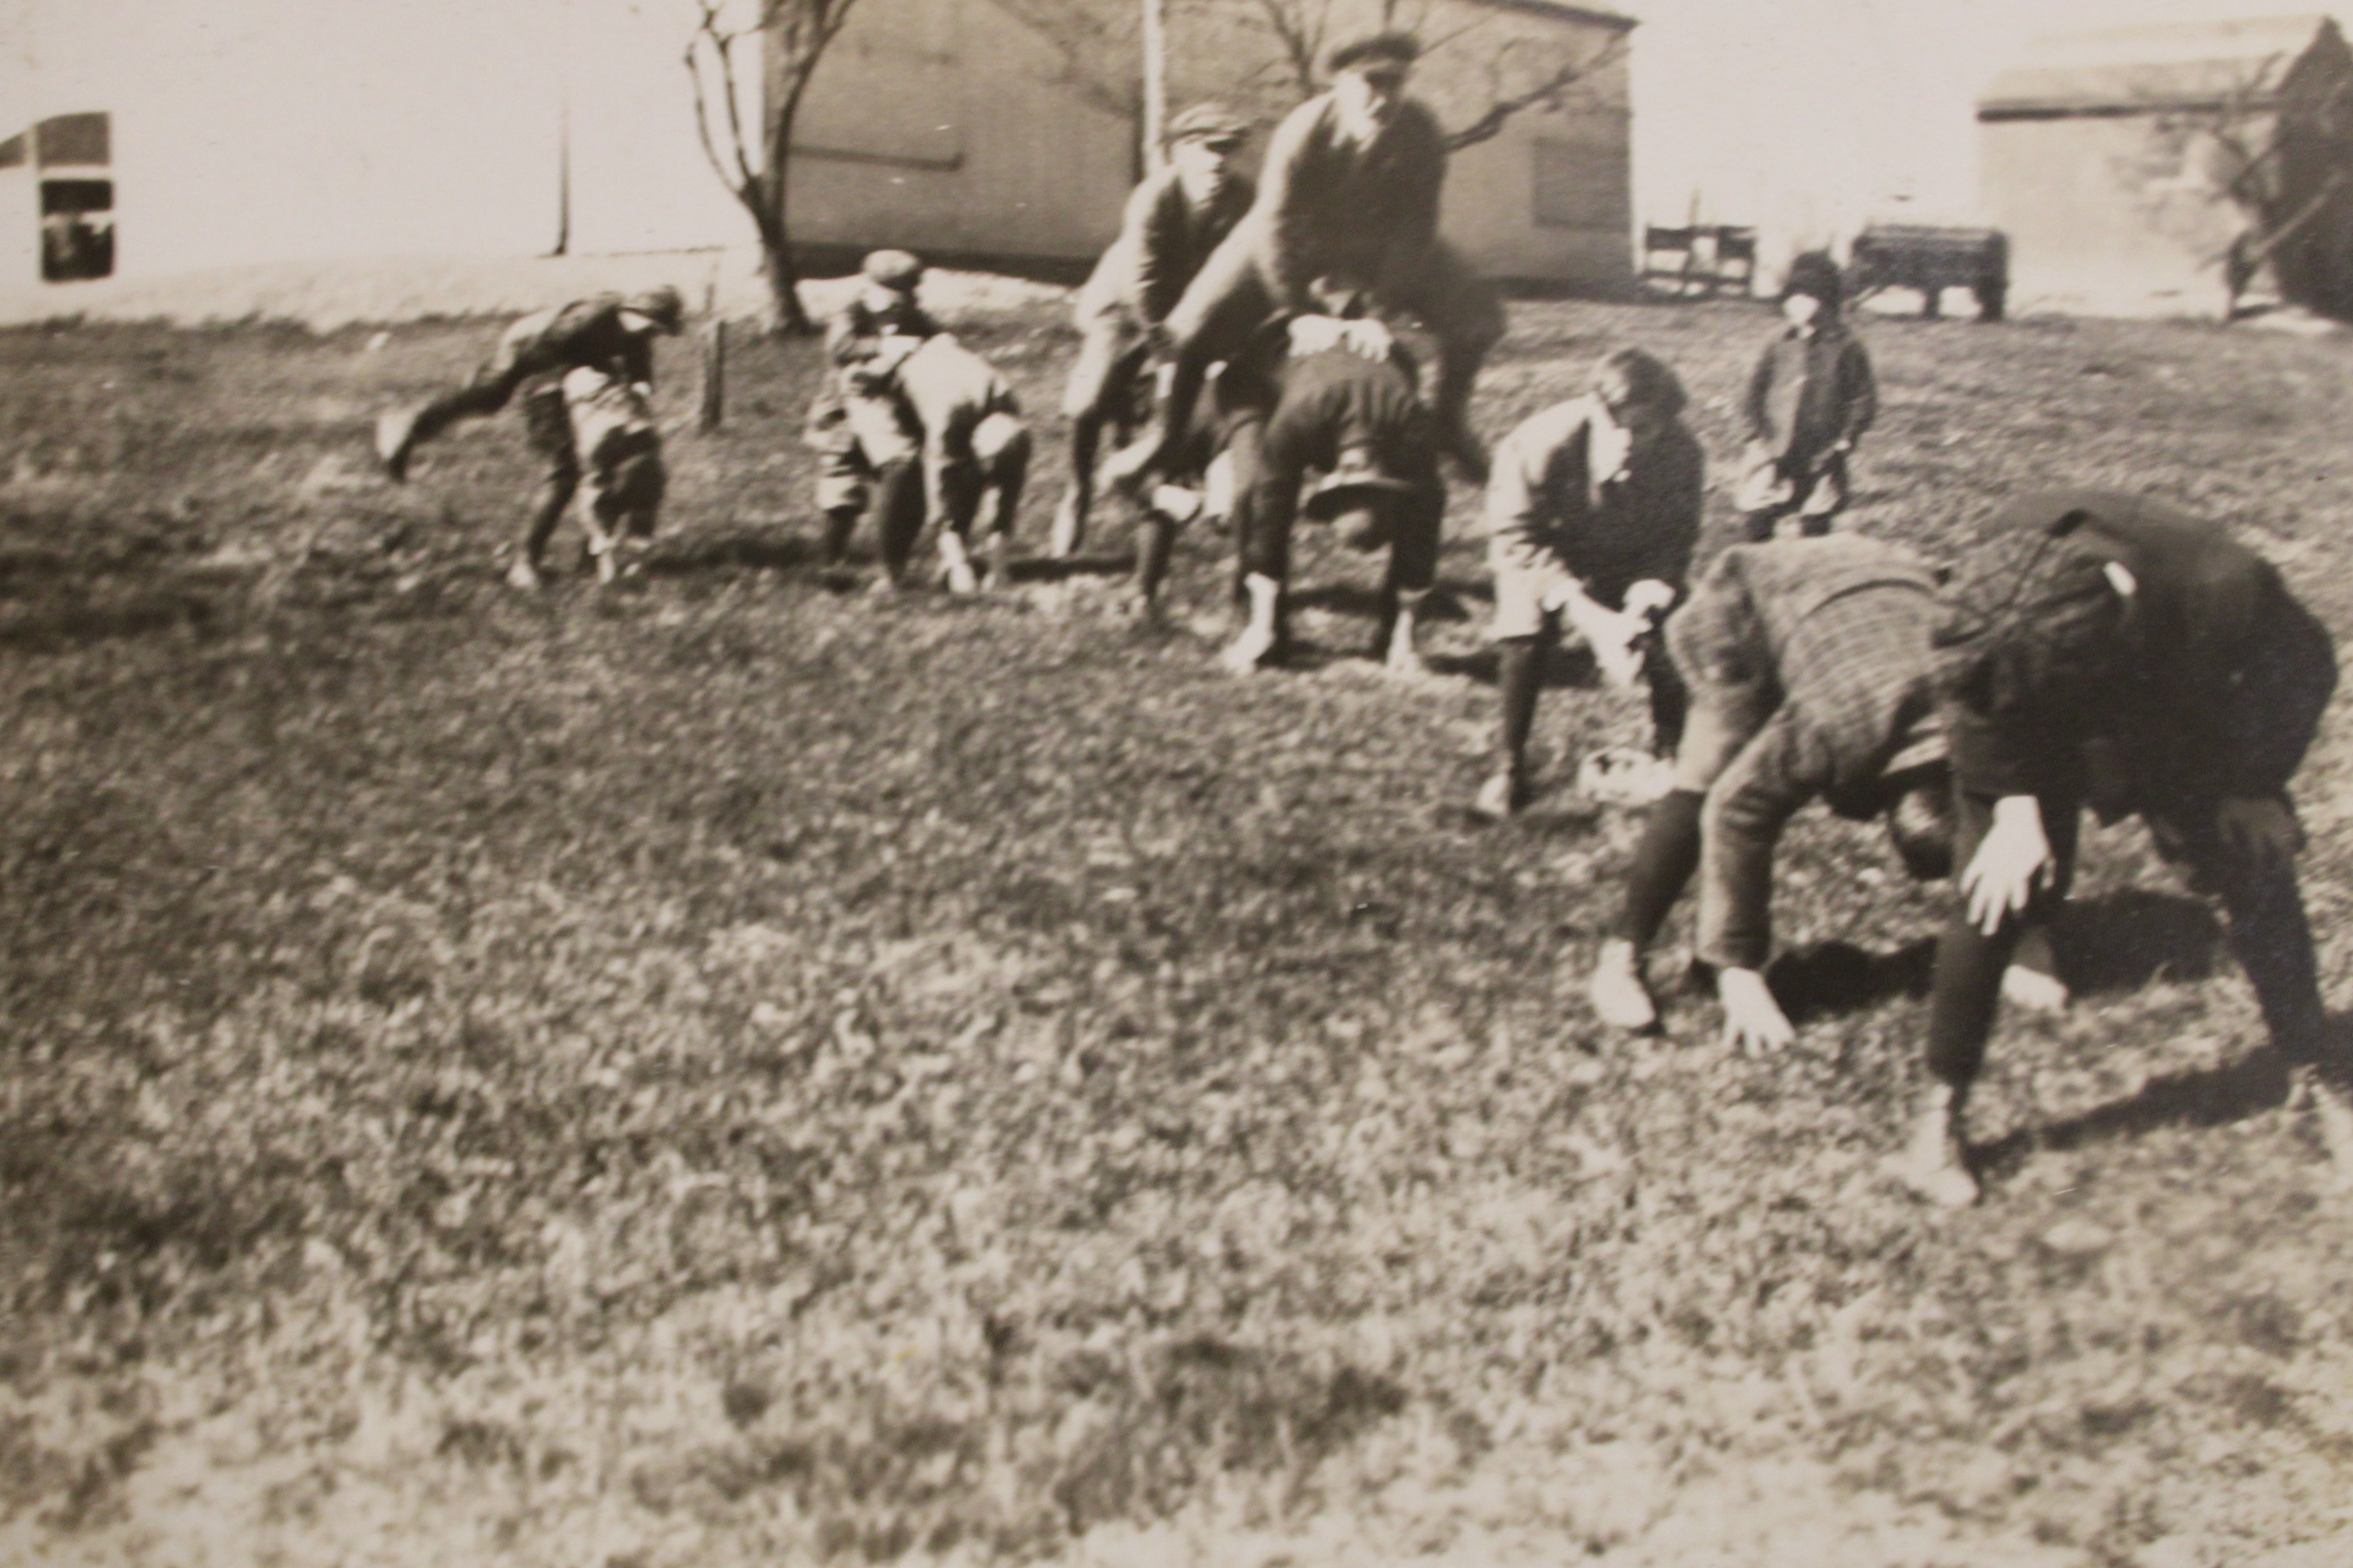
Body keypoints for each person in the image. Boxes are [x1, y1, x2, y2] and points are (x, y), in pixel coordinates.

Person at [1893, 491, 2344, 1207]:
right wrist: (2012, 806)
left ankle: (2314, 1070)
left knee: (2252, 864)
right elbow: (1977, 694)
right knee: (1991, 888)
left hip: (2176, 711)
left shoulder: (2222, 588)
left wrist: (2254, 784)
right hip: (2032, 707)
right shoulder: (2000, 572)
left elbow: (2308, 667)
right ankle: (1938, 1118)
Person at [1585, 534, 1981, 1049]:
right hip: (1750, 596)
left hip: (1880, 570)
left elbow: (2034, 797)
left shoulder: (1986, 720)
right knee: (1708, 780)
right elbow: (1739, 810)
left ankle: (1694, 954)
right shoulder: (1838, 727)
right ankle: (1621, 958)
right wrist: (1739, 968)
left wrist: (2029, 937)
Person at [1106, 30, 1504, 496]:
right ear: (1340, 83)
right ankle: (1166, 438)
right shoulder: (1304, 130)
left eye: (1396, 84)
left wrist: (1380, 310)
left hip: (1376, 244)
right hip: (1287, 241)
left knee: (1480, 318)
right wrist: (1299, 313)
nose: (1384, 98)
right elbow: (1277, 226)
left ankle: (1449, 422)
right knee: (1188, 330)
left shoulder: (1422, 132)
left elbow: (1416, 229)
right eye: (1371, 83)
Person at [1474, 348, 1704, 820]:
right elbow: (1518, 537)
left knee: (1678, 625)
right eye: (1617, 427)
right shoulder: (1541, 442)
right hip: (1544, 551)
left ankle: (1673, 758)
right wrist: (1592, 620)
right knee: (1525, 629)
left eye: (1645, 429)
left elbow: (1675, 538)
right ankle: (1508, 766)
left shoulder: (1682, 452)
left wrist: (1645, 602)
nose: (1628, 441)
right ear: (1595, 411)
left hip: (1627, 552)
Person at [375, 286, 686, 589]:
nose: (654, 335)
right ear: (634, 312)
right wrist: (556, 401)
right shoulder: (589, 319)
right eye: (654, 327)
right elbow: (544, 358)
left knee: (613, 460)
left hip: (575, 361)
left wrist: (638, 393)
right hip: (532, 350)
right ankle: (524, 564)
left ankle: (591, 558)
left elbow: (638, 365)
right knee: (552, 460)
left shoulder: (635, 332)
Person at [1054, 102, 1255, 558]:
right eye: (1211, 149)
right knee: (1088, 402)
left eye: (1231, 150)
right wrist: (1166, 351)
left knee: (1201, 398)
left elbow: (1244, 268)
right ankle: (1077, 490)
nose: (1222, 161)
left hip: (1193, 306)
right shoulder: (1154, 197)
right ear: (1182, 150)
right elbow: (1144, 284)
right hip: (1124, 307)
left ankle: (1181, 476)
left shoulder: (1245, 197)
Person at [1218, 278, 1443, 675]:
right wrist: (1262, 626)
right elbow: (1273, 511)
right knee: (1250, 492)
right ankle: (1255, 616)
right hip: (1262, 370)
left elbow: (1424, 526)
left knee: (1420, 509)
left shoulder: (1413, 427)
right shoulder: (1299, 419)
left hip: (1374, 359)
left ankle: (1393, 635)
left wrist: (1408, 637)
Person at [805, 250, 942, 580]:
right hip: (842, 413)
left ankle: (892, 566)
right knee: (842, 488)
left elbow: (941, 340)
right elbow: (839, 348)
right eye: (896, 297)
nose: (902, 303)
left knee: (906, 482)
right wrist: (884, 346)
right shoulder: (852, 314)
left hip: (893, 412)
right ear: (873, 289)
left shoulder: (913, 316)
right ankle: (830, 563)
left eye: (907, 296)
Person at [869, 331, 1031, 594]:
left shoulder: (1012, 416)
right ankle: (892, 573)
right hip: (885, 377)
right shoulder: (947, 421)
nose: (988, 480)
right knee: (905, 468)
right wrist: (958, 565)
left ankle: (959, 560)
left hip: (943, 369)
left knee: (967, 477)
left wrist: (999, 570)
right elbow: (940, 494)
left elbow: (1006, 498)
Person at [1737, 252, 1875, 542]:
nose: (1796, 306)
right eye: (1791, 298)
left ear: (1826, 302)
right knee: (1759, 509)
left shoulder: (1846, 347)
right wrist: (1755, 435)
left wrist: (1845, 440)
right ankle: (1757, 563)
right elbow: (1753, 393)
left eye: (1807, 298)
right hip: (1773, 444)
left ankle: (1811, 565)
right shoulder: (1778, 343)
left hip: (1823, 449)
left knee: (1816, 514)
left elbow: (1863, 399)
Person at [558, 364, 665, 583]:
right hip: (623, 432)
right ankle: (620, 557)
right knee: (631, 491)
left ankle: (617, 557)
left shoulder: (594, 419)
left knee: (608, 492)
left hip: (617, 434)